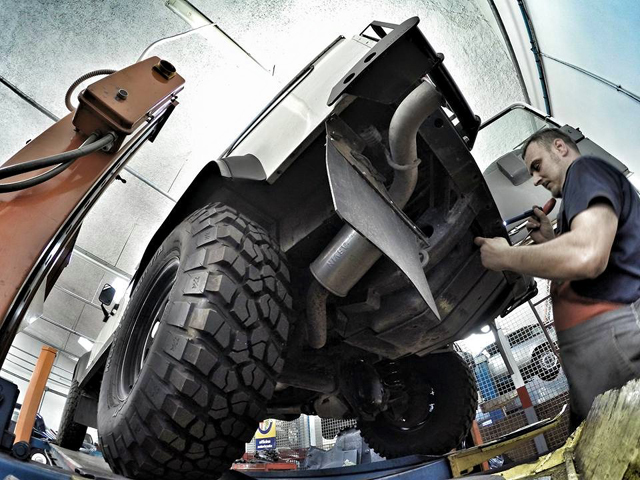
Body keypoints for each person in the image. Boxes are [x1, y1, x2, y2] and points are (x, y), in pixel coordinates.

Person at [474, 127, 640, 429]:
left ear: (560, 148)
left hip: (614, 340)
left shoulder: (584, 170)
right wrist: (549, 240)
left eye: (537, 166)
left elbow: (586, 256)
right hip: (602, 352)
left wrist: (505, 256)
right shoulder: (579, 197)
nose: (536, 179)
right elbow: (585, 261)